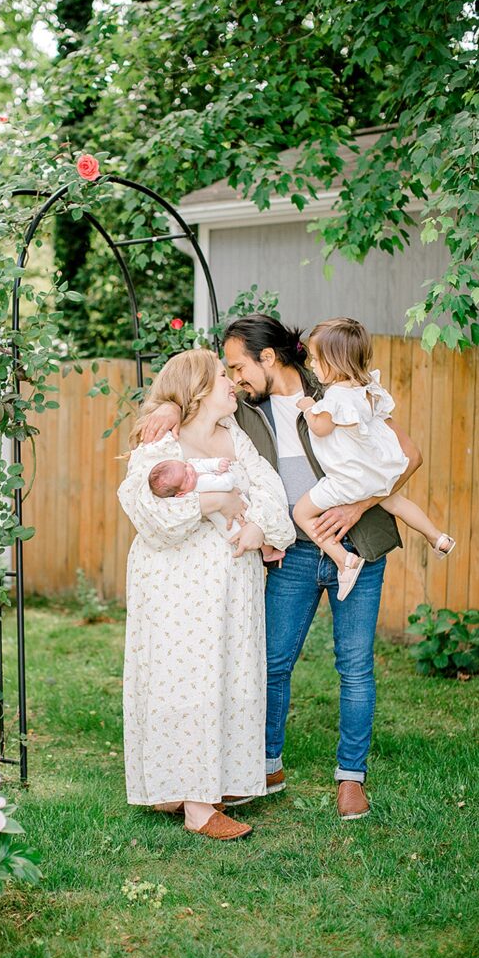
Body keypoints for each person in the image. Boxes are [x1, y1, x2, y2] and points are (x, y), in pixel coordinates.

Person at [140, 314, 423, 820]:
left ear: (267, 358)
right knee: (271, 663)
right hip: (292, 551)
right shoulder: (244, 412)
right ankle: (266, 766)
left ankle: (350, 777)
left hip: (356, 545)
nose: (234, 377)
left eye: (238, 366)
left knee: (354, 667)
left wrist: (358, 507)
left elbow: (408, 456)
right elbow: (193, 399)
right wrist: (163, 404)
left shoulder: (337, 388)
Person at [118, 349, 295, 840]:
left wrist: (260, 527)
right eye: (222, 376)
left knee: (228, 677)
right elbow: (151, 516)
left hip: (232, 585)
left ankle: (206, 784)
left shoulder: (235, 436)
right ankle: (195, 805)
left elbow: (271, 494)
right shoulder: (161, 442)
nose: (232, 383)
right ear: (197, 388)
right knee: (183, 679)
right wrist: (214, 499)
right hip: (177, 585)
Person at [293, 318, 455, 601]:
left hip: (346, 480)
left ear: (336, 361)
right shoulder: (368, 390)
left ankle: (344, 560)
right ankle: (437, 536)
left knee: (301, 514)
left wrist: (309, 408)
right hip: (375, 474)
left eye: (317, 360)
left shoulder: (336, 398)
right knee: (397, 503)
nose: (312, 366)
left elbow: (320, 428)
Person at [148, 457, 286, 560]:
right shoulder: (201, 484)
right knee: (256, 529)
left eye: (185, 466)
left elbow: (201, 464)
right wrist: (226, 473)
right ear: (181, 494)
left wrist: (216, 464)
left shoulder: (192, 474)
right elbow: (226, 485)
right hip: (232, 525)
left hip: (231, 513)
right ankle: (268, 554)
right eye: (186, 478)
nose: (190, 471)